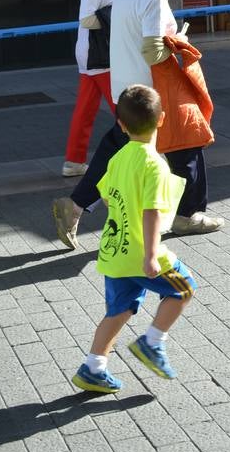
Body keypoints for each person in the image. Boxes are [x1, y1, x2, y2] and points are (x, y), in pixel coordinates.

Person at [53, 0, 223, 249]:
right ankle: (189, 215)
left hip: (125, 87)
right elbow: (153, 51)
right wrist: (180, 43)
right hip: (152, 90)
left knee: (114, 149)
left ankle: (74, 207)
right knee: (188, 145)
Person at [72, 84, 197, 393]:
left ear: (121, 124)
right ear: (162, 119)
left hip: (114, 252)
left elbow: (106, 193)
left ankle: (93, 368)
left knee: (119, 311)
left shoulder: (117, 158)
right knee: (184, 289)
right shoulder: (154, 164)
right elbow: (152, 211)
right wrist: (152, 254)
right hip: (141, 253)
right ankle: (152, 343)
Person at [62, 0, 127, 177]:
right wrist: (118, 14)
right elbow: (87, 19)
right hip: (99, 56)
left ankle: (73, 161)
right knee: (123, 106)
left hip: (95, 55)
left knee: (86, 110)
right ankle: (139, 153)